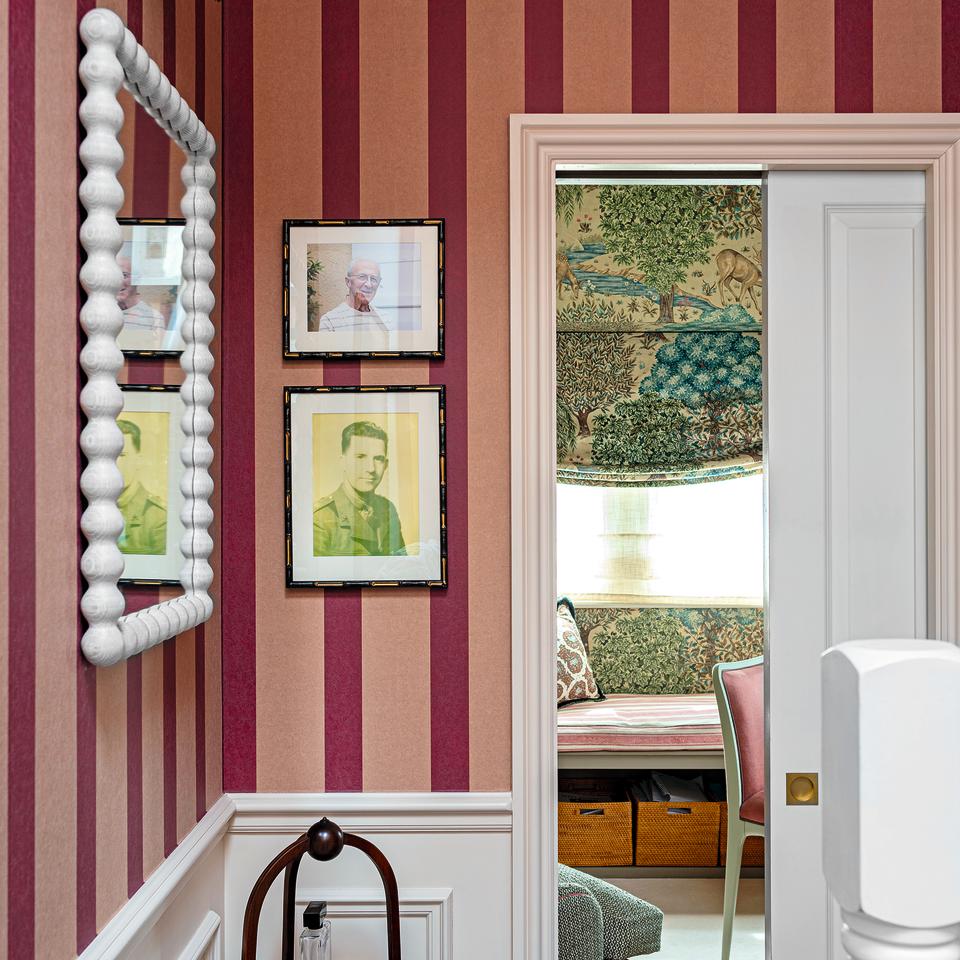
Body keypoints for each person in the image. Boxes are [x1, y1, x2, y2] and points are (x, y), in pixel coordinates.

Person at [313, 420, 406, 557]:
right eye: (360, 457)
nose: (371, 468)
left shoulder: (388, 509)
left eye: (378, 459)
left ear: (385, 465)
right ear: (343, 462)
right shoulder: (320, 518)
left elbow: (403, 571)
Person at [117, 419, 168, 556]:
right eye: (111, 456)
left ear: (138, 460)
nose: (115, 464)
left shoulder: (158, 518)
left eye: (122, 455)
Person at [310, 257, 391, 335]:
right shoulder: (330, 321)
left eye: (373, 279)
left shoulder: (385, 318)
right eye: (362, 277)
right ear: (348, 282)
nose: (369, 285)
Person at [118, 250, 166, 343]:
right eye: (115, 276)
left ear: (137, 279)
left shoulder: (154, 318)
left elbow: (158, 350)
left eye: (124, 275)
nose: (119, 281)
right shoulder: (106, 313)